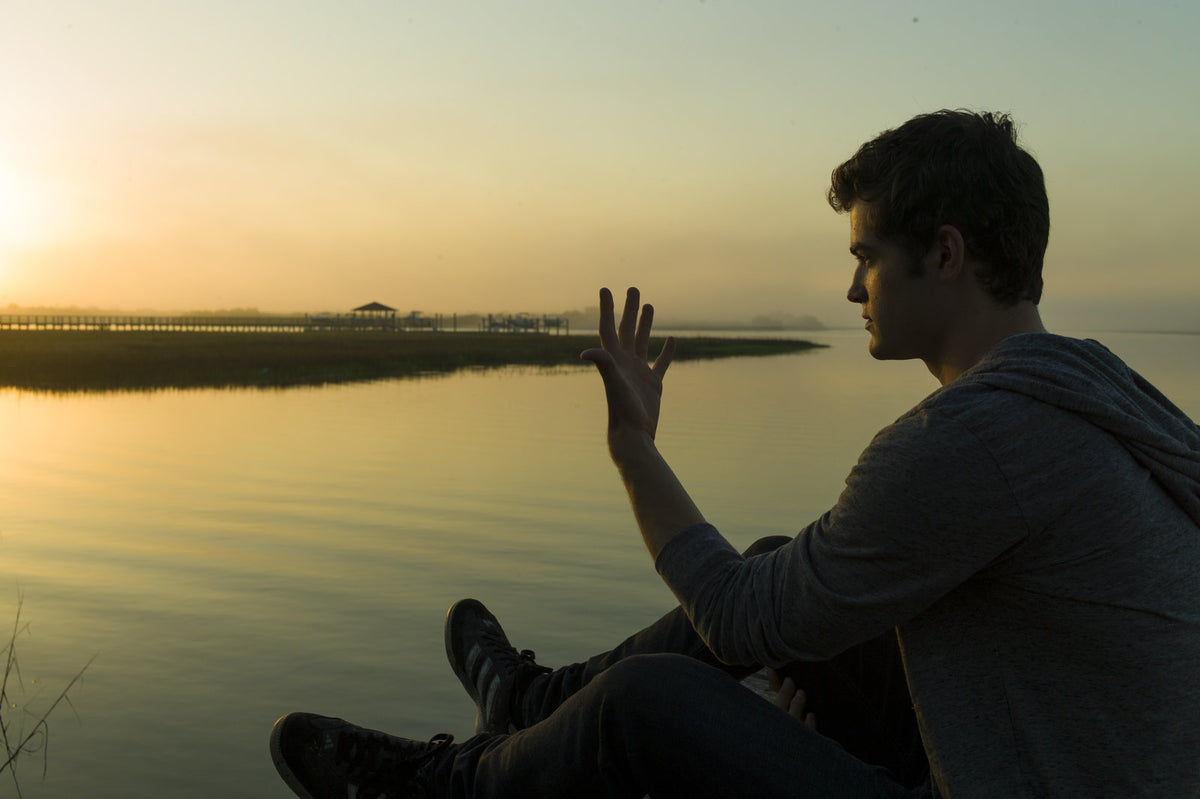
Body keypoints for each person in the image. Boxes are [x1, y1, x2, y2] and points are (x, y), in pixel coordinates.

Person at [268, 110, 1200, 798]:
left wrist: (634, 447)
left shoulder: (973, 441)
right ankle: (530, 701)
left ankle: (451, 788)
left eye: (867, 256)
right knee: (773, 563)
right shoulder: (1097, 391)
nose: (852, 289)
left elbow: (738, 623)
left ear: (947, 255)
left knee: (649, 704)